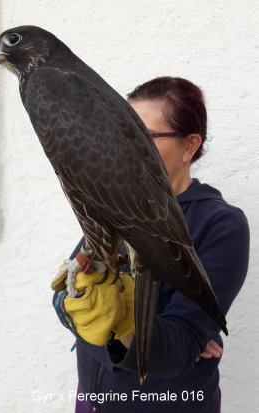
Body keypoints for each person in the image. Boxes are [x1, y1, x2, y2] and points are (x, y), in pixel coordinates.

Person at [52, 76, 250, 413]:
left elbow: (179, 347)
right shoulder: (115, 205)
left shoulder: (220, 225)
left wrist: (117, 322)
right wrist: (95, 311)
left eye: (143, 136)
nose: (123, 147)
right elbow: (65, 299)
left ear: (189, 145)